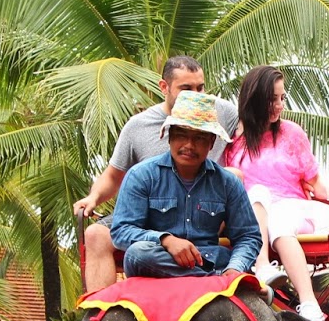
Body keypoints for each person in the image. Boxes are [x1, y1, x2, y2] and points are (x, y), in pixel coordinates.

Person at [73, 56, 241, 292]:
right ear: (164, 87)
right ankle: (102, 315)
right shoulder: (138, 127)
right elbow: (113, 176)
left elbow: (253, 135)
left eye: (200, 88)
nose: (195, 95)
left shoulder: (220, 111)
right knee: (95, 235)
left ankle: (222, 270)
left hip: (204, 208)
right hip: (149, 211)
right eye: (186, 89)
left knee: (235, 175)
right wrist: (93, 198)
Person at [221, 65, 329, 321]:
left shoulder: (292, 134)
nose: (279, 106)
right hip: (254, 215)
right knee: (255, 193)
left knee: (278, 219)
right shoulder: (234, 144)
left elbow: (316, 184)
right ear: (255, 99)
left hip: (292, 208)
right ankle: (263, 266)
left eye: (282, 98)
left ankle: (309, 302)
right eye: (272, 99)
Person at [108, 91, 262, 279]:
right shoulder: (141, 175)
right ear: (169, 136)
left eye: (199, 138)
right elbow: (121, 231)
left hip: (211, 259)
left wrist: (235, 268)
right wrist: (165, 240)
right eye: (181, 135)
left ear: (211, 143)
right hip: (158, 260)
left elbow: (249, 236)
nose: (189, 145)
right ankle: (212, 280)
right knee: (137, 253)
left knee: (230, 260)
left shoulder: (228, 183)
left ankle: (218, 277)